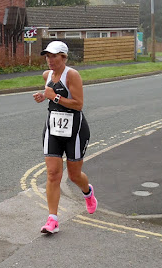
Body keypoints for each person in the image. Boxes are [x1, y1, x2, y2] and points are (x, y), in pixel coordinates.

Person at [33, 41, 97, 234]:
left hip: (75, 130)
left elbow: (78, 104)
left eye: (54, 56)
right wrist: (43, 96)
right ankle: (52, 219)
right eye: (47, 56)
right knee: (53, 174)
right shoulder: (46, 75)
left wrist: (54, 97)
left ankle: (88, 192)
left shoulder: (72, 75)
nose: (49, 60)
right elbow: (50, 93)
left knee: (74, 175)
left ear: (64, 57)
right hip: (53, 127)